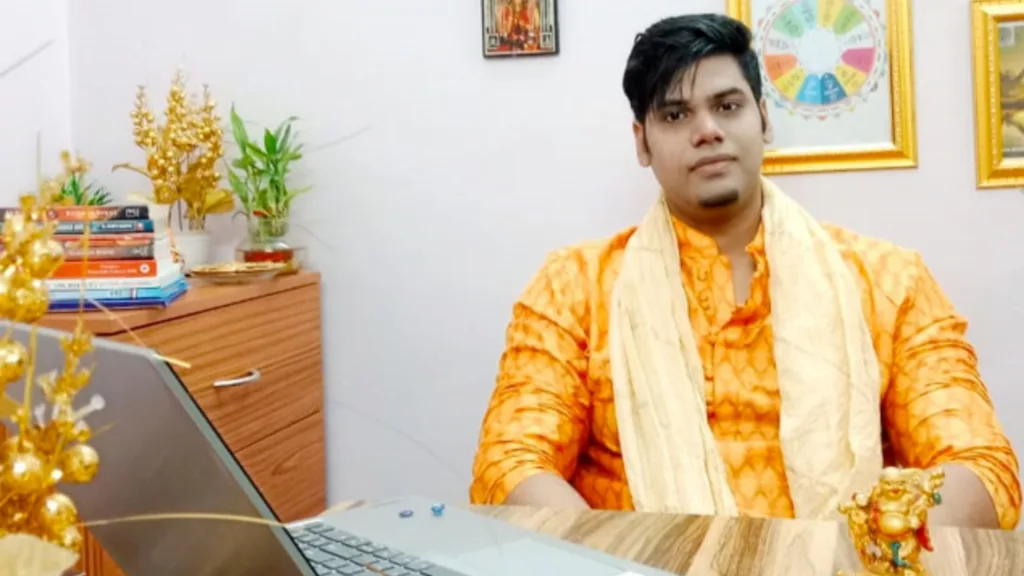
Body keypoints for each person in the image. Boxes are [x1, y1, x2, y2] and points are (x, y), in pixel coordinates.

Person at [469, 14, 1021, 530]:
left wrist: (865, 555)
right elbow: (509, 467)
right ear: (642, 142)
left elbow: (980, 467)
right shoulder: (574, 288)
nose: (706, 130)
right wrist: (624, 561)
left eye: (727, 106)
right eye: (676, 114)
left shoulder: (888, 280)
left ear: (764, 118)